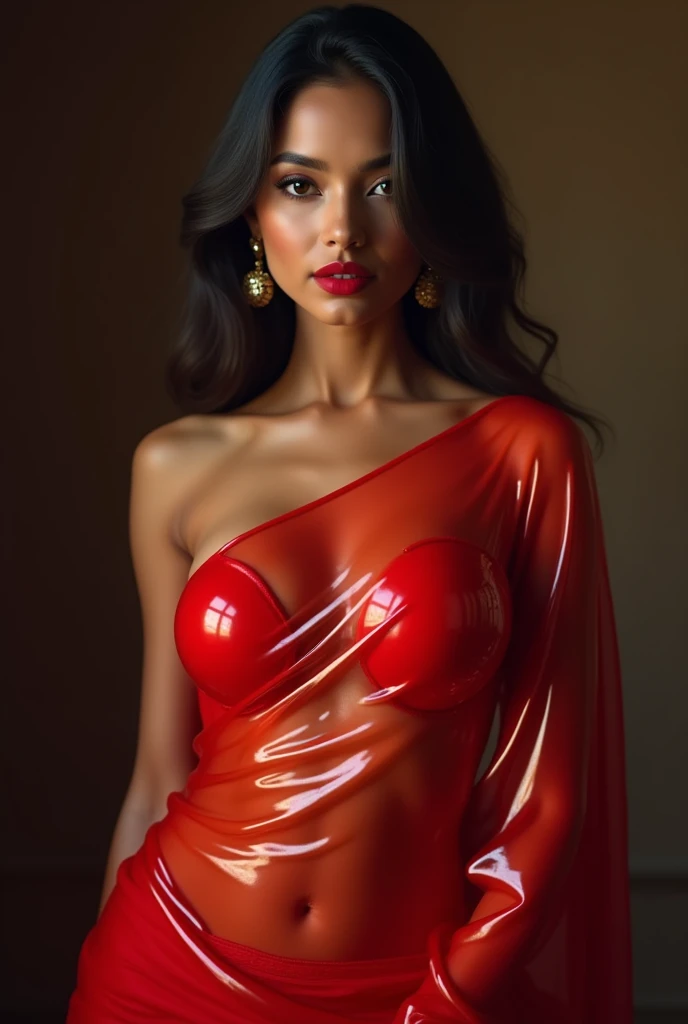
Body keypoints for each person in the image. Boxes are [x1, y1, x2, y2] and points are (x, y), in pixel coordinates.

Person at [66, 5, 633, 1022]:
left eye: (383, 185)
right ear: (251, 216)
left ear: (432, 209)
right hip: (166, 967)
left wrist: (447, 1000)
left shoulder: (522, 452)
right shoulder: (176, 465)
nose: (341, 228)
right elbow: (157, 774)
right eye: (299, 185)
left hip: (412, 989)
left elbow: (548, 799)